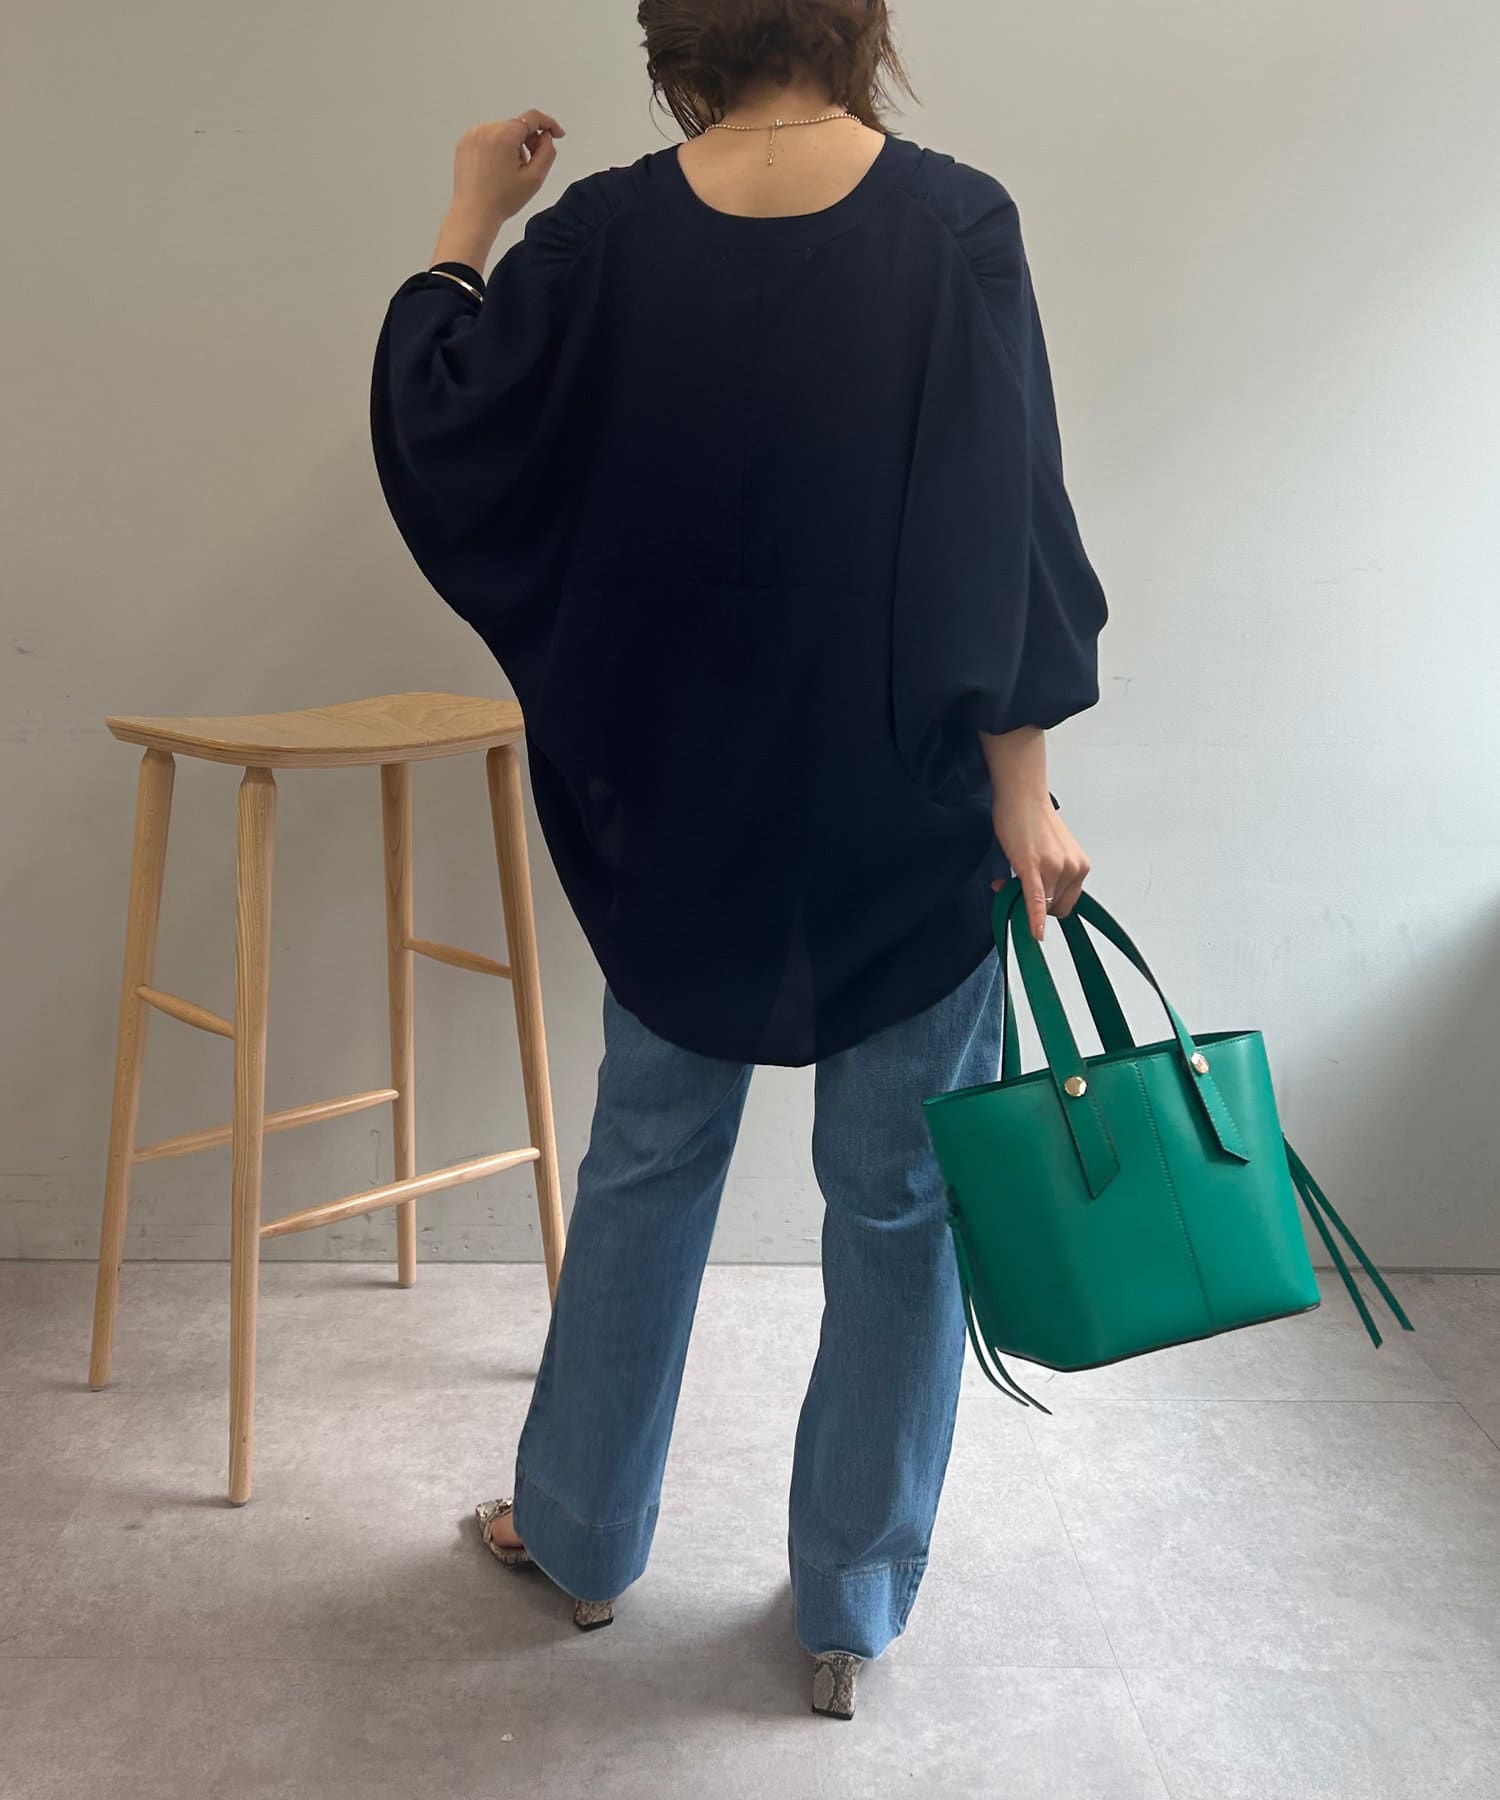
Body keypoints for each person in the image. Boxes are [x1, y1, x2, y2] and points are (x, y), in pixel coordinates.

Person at [370, 0, 1107, 1721]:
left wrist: (471, 214)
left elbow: (446, 426)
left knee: (646, 1167)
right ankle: (849, 1603)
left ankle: (578, 1537)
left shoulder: (599, 238)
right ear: (856, 22)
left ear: (676, 35)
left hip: (679, 806)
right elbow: (1009, 521)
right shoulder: (956, 225)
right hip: (906, 807)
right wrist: (1026, 789)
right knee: (901, 1203)